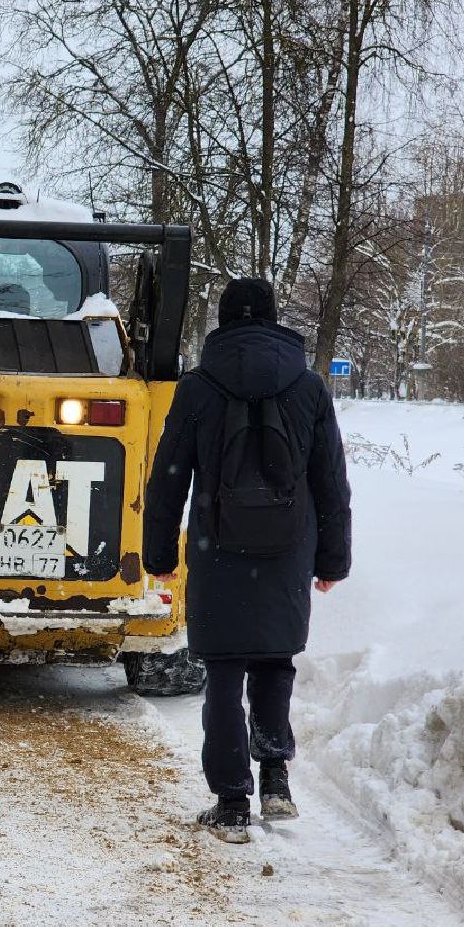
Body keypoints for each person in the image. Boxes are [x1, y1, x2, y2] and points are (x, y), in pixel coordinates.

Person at [143, 278, 351, 844]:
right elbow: (331, 481)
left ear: (225, 321)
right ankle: (277, 781)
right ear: (275, 321)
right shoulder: (309, 389)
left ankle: (232, 804)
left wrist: (159, 554)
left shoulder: (198, 387)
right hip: (287, 551)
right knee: (274, 664)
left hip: (218, 550)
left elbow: (168, 479)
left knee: (224, 673)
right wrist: (332, 559)